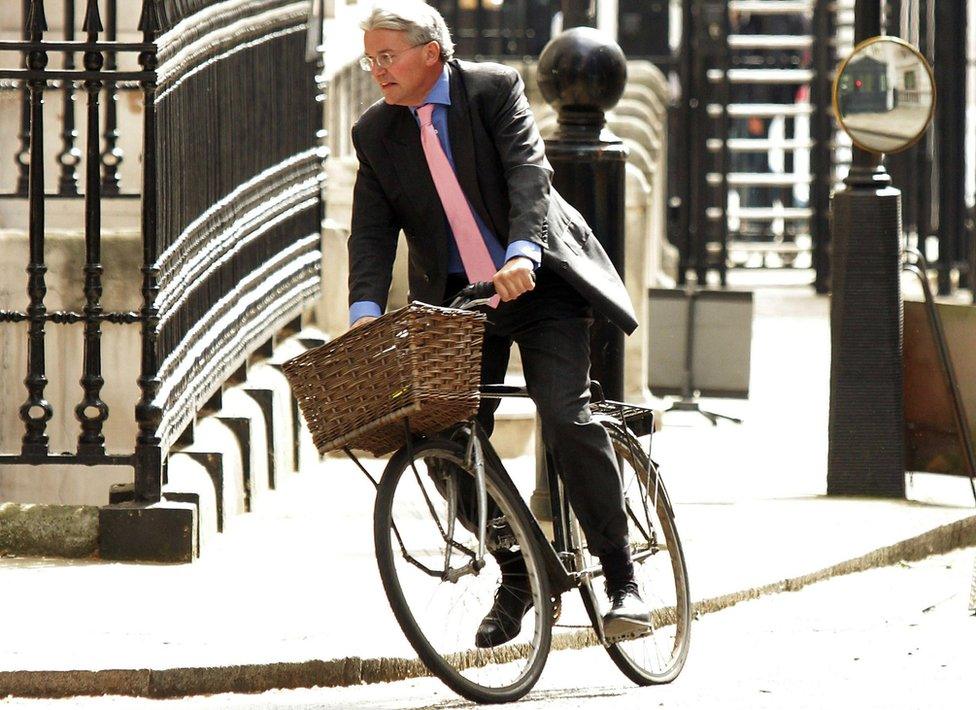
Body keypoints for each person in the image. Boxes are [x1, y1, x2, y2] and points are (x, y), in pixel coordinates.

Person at [348, 0, 648, 646]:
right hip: (461, 303)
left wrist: (522, 252)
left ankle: (623, 577)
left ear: (431, 53)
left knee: (566, 416)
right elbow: (371, 234)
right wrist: (364, 313)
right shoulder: (376, 133)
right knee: (445, 444)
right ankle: (522, 571)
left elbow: (528, 174)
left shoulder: (493, 90)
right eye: (369, 57)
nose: (376, 69)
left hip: (535, 282)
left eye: (386, 56)